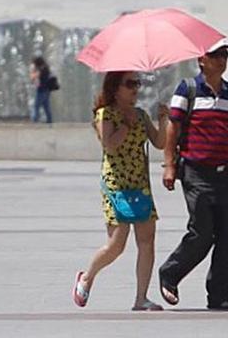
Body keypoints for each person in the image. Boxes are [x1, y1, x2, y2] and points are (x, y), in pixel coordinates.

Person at [158, 41, 228, 310]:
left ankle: (219, 296)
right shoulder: (188, 89)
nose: (222, 60)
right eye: (216, 55)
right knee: (202, 233)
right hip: (195, 172)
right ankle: (169, 274)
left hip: (225, 175)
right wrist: (169, 165)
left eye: (225, 55)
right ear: (201, 59)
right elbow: (173, 128)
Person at [73, 71, 169, 311]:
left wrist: (163, 120)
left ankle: (141, 298)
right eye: (130, 84)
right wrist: (126, 125)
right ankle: (87, 277)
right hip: (116, 186)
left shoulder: (140, 114)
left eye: (137, 83)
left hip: (140, 185)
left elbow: (159, 142)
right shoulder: (105, 114)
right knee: (116, 245)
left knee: (147, 241)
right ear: (115, 88)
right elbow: (110, 144)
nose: (136, 89)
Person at [30, 56, 54, 124]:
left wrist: (33, 73)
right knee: (46, 106)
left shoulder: (41, 69)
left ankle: (35, 120)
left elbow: (34, 77)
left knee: (36, 106)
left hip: (41, 90)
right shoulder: (46, 68)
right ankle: (49, 120)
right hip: (47, 90)